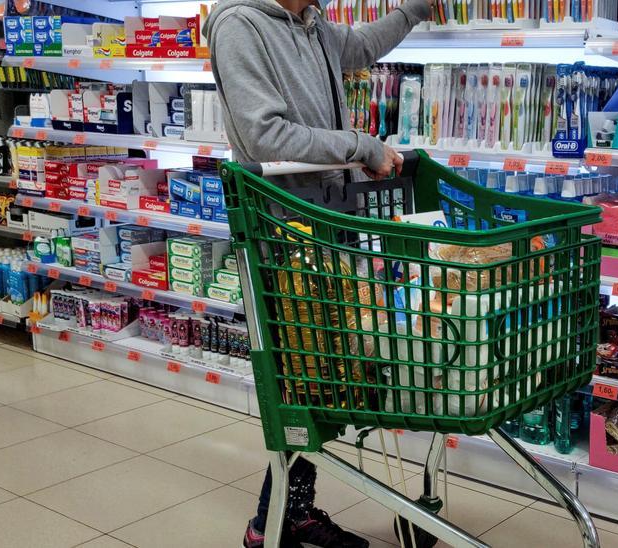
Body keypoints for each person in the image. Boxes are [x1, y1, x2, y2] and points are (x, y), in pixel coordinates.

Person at [203, 0, 431, 546]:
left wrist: (417, 9)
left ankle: (285, 512)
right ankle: (273, 519)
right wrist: (361, 146)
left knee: (321, 381)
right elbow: (266, 137)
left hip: (328, 227)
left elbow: (363, 46)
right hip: (283, 237)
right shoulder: (240, 27)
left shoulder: (311, 24)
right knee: (307, 383)